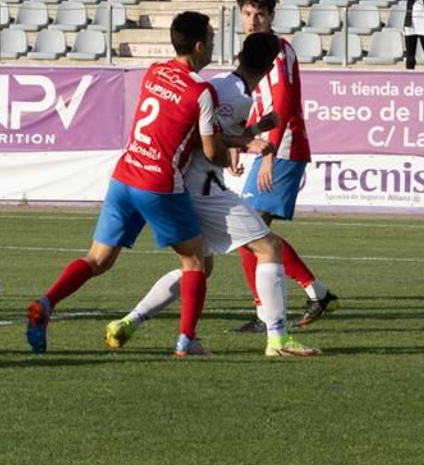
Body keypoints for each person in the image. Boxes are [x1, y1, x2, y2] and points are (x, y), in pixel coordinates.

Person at [106, 32, 318, 358]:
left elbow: (213, 132)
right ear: (270, 65)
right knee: (269, 247)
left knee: (199, 268)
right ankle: (278, 340)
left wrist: (255, 129)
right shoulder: (240, 97)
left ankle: (130, 322)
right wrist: (249, 143)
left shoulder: (219, 82)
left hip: (181, 187)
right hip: (203, 189)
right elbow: (208, 145)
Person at [25, 11, 224, 356]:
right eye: (211, 39)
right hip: (158, 184)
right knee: (196, 263)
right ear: (198, 45)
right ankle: (187, 340)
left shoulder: (154, 72)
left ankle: (46, 302)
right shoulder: (202, 92)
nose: (213, 45)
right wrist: (238, 147)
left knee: (98, 259)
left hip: (125, 175)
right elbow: (209, 149)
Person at [232, 0, 337, 331]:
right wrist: (238, 142)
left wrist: (266, 157)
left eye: (259, 14)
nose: (252, 20)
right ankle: (300, 298)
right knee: (248, 235)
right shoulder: (255, 51)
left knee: (249, 233)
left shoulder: (276, 50)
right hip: (269, 147)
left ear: (271, 17)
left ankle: (304, 296)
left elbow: (283, 105)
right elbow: (257, 105)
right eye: (247, 14)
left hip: (283, 148)